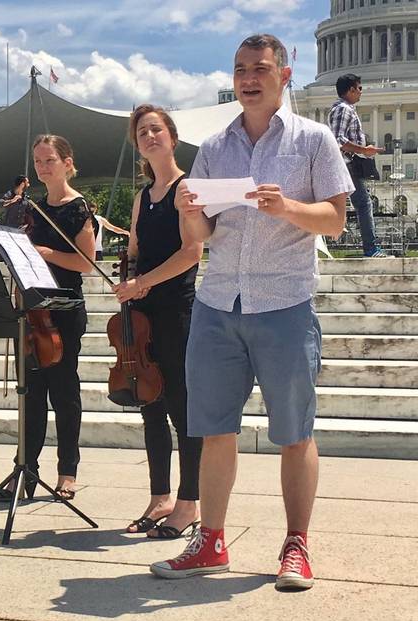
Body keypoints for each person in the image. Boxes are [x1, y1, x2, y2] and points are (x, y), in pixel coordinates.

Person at [150, 35, 352, 592]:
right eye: (240, 70)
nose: (248, 78)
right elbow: (204, 234)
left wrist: (285, 206)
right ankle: (210, 540)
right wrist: (189, 212)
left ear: (284, 76)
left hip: (284, 302)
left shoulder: (314, 140)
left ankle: (295, 546)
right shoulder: (214, 146)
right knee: (215, 430)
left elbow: (335, 221)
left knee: (294, 433)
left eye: (260, 69)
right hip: (218, 304)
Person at [115, 105, 203, 539]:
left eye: (156, 129)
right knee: (149, 406)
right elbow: (133, 248)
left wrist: (143, 282)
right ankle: (159, 498)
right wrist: (128, 279)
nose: (149, 136)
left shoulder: (187, 188)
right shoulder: (141, 196)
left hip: (177, 311)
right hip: (144, 312)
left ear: (171, 136)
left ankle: (188, 504)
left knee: (182, 409)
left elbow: (192, 252)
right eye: (142, 132)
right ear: (138, 144)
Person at [0, 134, 95, 502]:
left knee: (64, 393)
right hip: (34, 307)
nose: (42, 167)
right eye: (38, 161)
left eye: (49, 160)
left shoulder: (79, 208)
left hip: (65, 310)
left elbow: (85, 263)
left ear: (67, 163)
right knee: (31, 394)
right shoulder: (34, 209)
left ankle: (67, 471)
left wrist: (45, 252)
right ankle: (26, 467)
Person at [328, 73, 388, 258]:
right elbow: (338, 139)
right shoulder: (344, 109)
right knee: (364, 203)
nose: (361, 92)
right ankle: (371, 249)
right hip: (346, 164)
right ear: (351, 89)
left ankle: (339, 230)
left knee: (359, 203)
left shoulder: (344, 109)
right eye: (360, 88)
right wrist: (364, 150)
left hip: (347, 164)